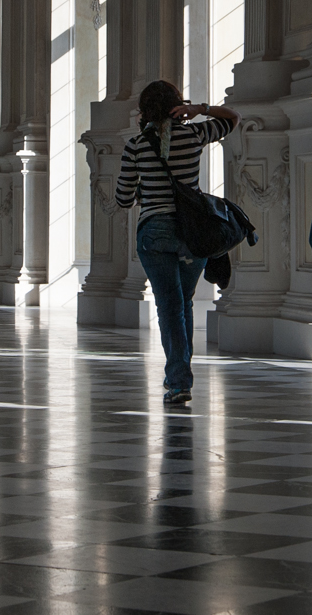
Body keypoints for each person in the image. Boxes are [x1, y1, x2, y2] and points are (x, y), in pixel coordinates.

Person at [113, 80, 239, 405]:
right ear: (176, 105)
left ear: (144, 110)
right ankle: (180, 376)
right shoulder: (194, 135)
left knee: (168, 305)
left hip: (154, 232)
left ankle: (178, 380)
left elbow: (123, 198)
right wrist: (199, 110)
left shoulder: (136, 146)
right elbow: (232, 119)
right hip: (191, 233)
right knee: (184, 303)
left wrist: (147, 192)